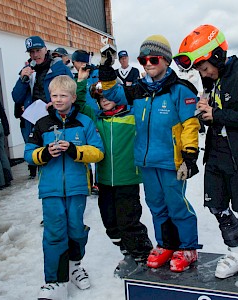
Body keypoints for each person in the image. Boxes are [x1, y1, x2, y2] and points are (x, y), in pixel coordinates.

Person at [174, 24, 238, 285]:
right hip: (217, 154)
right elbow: (215, 116)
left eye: (205, 67)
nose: (203, 73)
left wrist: (217, 114)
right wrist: (206, 114)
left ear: (217, 55)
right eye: (199, 70)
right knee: (216, 205)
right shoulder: (213, 82)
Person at [99, 35, 202, 272]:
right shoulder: (139, 90)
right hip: (146, 161)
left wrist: (189, 155)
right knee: (155, 204)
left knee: (176, 203)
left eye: (153, 59)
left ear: (166, 60)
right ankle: (165, 244)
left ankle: (188, 247)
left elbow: (189, 125)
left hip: (171, 161)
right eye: (143, 59)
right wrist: (106, 71)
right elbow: (114, 96)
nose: (147, 64)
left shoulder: (180, 90)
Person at [24, 75, 104, 299]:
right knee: (54, 233)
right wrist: (44, 153)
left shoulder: (84, 122)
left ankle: (74, 265)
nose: (58, 100)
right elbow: (28, 154)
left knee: (76, 229)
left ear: (72, 97)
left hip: (77, 187)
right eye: (54, 95)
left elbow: (98, 151)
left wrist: (75, 151)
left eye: (63, 95)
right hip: (50, 189)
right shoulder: (41, 123)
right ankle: (54, 281)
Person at [75, 70, 152, 278]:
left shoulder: (131, 116)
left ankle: (143, 255)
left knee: (129, 221)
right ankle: (127, 252)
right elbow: (80, 104)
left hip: (127, 179)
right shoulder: (96, 120)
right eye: (101, 97)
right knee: (110, 222)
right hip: (104, 182)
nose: (105, 100)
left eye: (109, 95)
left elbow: (144, 105)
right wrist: (81, 81)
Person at [12, 35, 73, 179]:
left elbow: (72, 90)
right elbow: (17, 97)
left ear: (45, 49)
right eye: (31, 52)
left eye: (38, 50)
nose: (35, 55)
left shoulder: (59, 68)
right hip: (37, 120)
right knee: (44, 157)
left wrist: (58, 103)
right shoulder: (28, 71)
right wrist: (22, 79)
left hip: (58, 116)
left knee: (62, 154)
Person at [71, 49, 100, 195]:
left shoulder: (96, 74)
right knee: (85, 149)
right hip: (83, 115)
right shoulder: (75, 78)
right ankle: (89, 182)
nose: (82, 64)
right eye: (79, 62)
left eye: (84, 61)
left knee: (97, 149)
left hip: (96, 115)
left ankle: (97, 181)